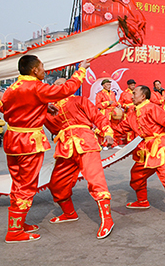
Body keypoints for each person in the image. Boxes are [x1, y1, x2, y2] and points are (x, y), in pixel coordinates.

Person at [0, 55, 89, 243]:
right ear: (34, 70)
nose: (44, 70)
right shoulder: (36, 87)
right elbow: (65, 89)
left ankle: (18, 223)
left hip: (12, 140)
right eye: (42, 67)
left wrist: (44, 108)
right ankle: (14, 232)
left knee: (18, 183)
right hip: (28, 143)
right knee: (27, 185)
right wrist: (81, 70)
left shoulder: (12, 88)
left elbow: (9, 110)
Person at [44, 78, 115, 239]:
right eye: (56, 84)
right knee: (56, 183)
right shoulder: (49, 109)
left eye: (62, 83)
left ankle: (107, 219)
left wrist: (108, 132)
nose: (58, 86)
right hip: (65, 148)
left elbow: (97, 116)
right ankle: (69, 213)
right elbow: (30, 118)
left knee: (95, 180)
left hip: (86, 142)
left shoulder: (79, 100)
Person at [116, 85, 165, 227]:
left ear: (143, 96)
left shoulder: (152, 108)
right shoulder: (132, 114)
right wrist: (104, 131)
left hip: (160, 146)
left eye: (134, 93)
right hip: (145, 150)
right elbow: (119, 129)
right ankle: (142, 201)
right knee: (136, 175)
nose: (131, 96)